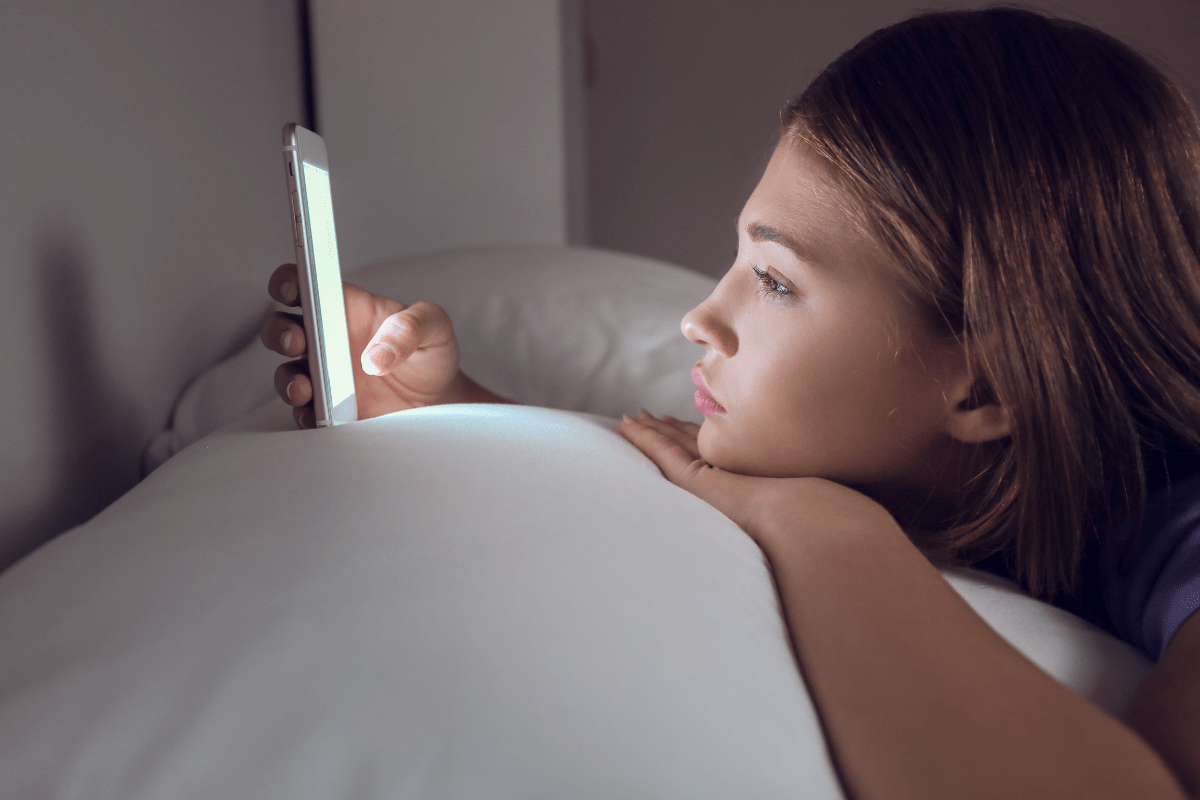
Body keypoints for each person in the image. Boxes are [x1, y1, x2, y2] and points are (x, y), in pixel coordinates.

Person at [260, 7, 1200, 797]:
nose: (701, 317)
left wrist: (827, 531)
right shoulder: (947, 462)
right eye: (738, 261)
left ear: (990, 383)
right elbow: (677, 465)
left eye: (777, 281)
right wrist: (439, 402)